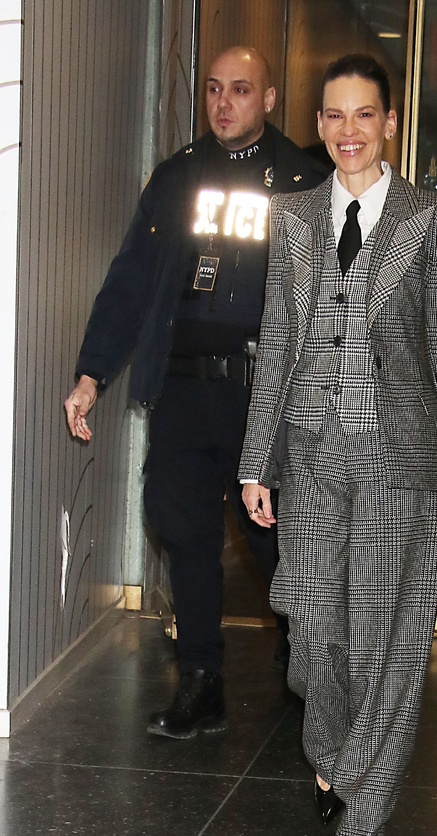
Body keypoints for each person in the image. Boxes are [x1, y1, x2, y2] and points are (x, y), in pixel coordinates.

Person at [239, 54, 437, 836]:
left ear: (389, 123)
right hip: (310, 453)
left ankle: (362, 820)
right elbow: (277, 342)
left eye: (365, 114)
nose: (350, 131)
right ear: (319, 125)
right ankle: (336, 758)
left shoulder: (431, 216)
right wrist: (256, 460)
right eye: (335, 116)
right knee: (313, 633)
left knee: (386, 644)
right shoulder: (292, 217)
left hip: (398, 458)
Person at [64, 47, 327, 739]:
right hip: (183, 389)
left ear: (268, 99)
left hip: (262, 395)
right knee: (182, 530)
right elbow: (131, 279)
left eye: (239, 90)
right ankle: (201, 680)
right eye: (213, 89)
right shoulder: (178, 177)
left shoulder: (304, 183)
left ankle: (306, 657)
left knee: (275, 537)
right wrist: (92, 373)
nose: (223, 103)